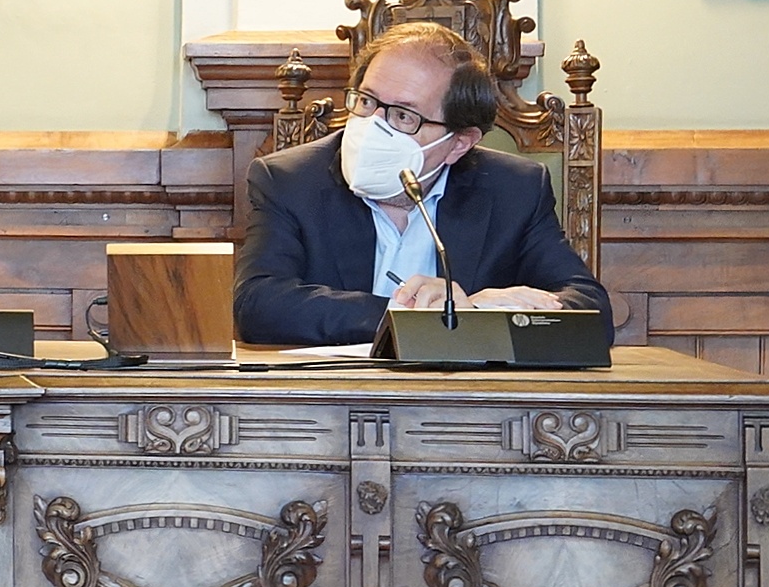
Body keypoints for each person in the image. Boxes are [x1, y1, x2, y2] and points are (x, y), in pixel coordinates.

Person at [234, 20, 610, 347]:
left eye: (403, 116)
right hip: (336, 397)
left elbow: (591, 311)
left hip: (469, 400)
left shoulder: (514, 190)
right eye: (366, 102)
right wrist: (414, 315)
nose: (373, 127)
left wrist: (478, 311)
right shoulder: (289, 179)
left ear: (459, 143)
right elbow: (258, 304)